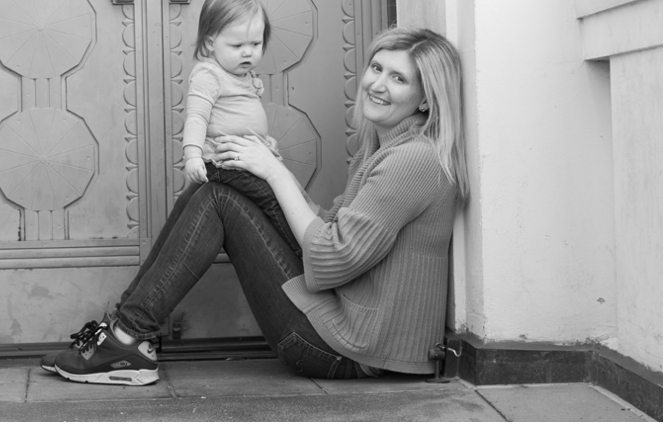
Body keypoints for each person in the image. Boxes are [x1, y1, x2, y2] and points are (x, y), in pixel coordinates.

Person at [41, 26, 469, 386]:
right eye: (377, 67)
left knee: (221, 197)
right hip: (347, 327)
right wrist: (267, 169)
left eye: (398, 79)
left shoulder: (413, 160)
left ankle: (127, 337)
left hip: (352, 349)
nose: (377, 84)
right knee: (220, 179)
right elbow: (332, 228)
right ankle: (126, 334)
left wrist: (275, 174)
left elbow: (333, 258)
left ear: (426, 99)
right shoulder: (387, 145)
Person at [181, 0, 293, 246]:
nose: (248, 52)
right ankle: (300, 247)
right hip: (226, 161)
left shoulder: (241, 75)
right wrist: (193, 156)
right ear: (211, 43)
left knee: (282, 192)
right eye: (237, 45)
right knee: (272, 198)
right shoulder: (209, 74)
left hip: (242, 158)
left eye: (255, 44)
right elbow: (196, 117)